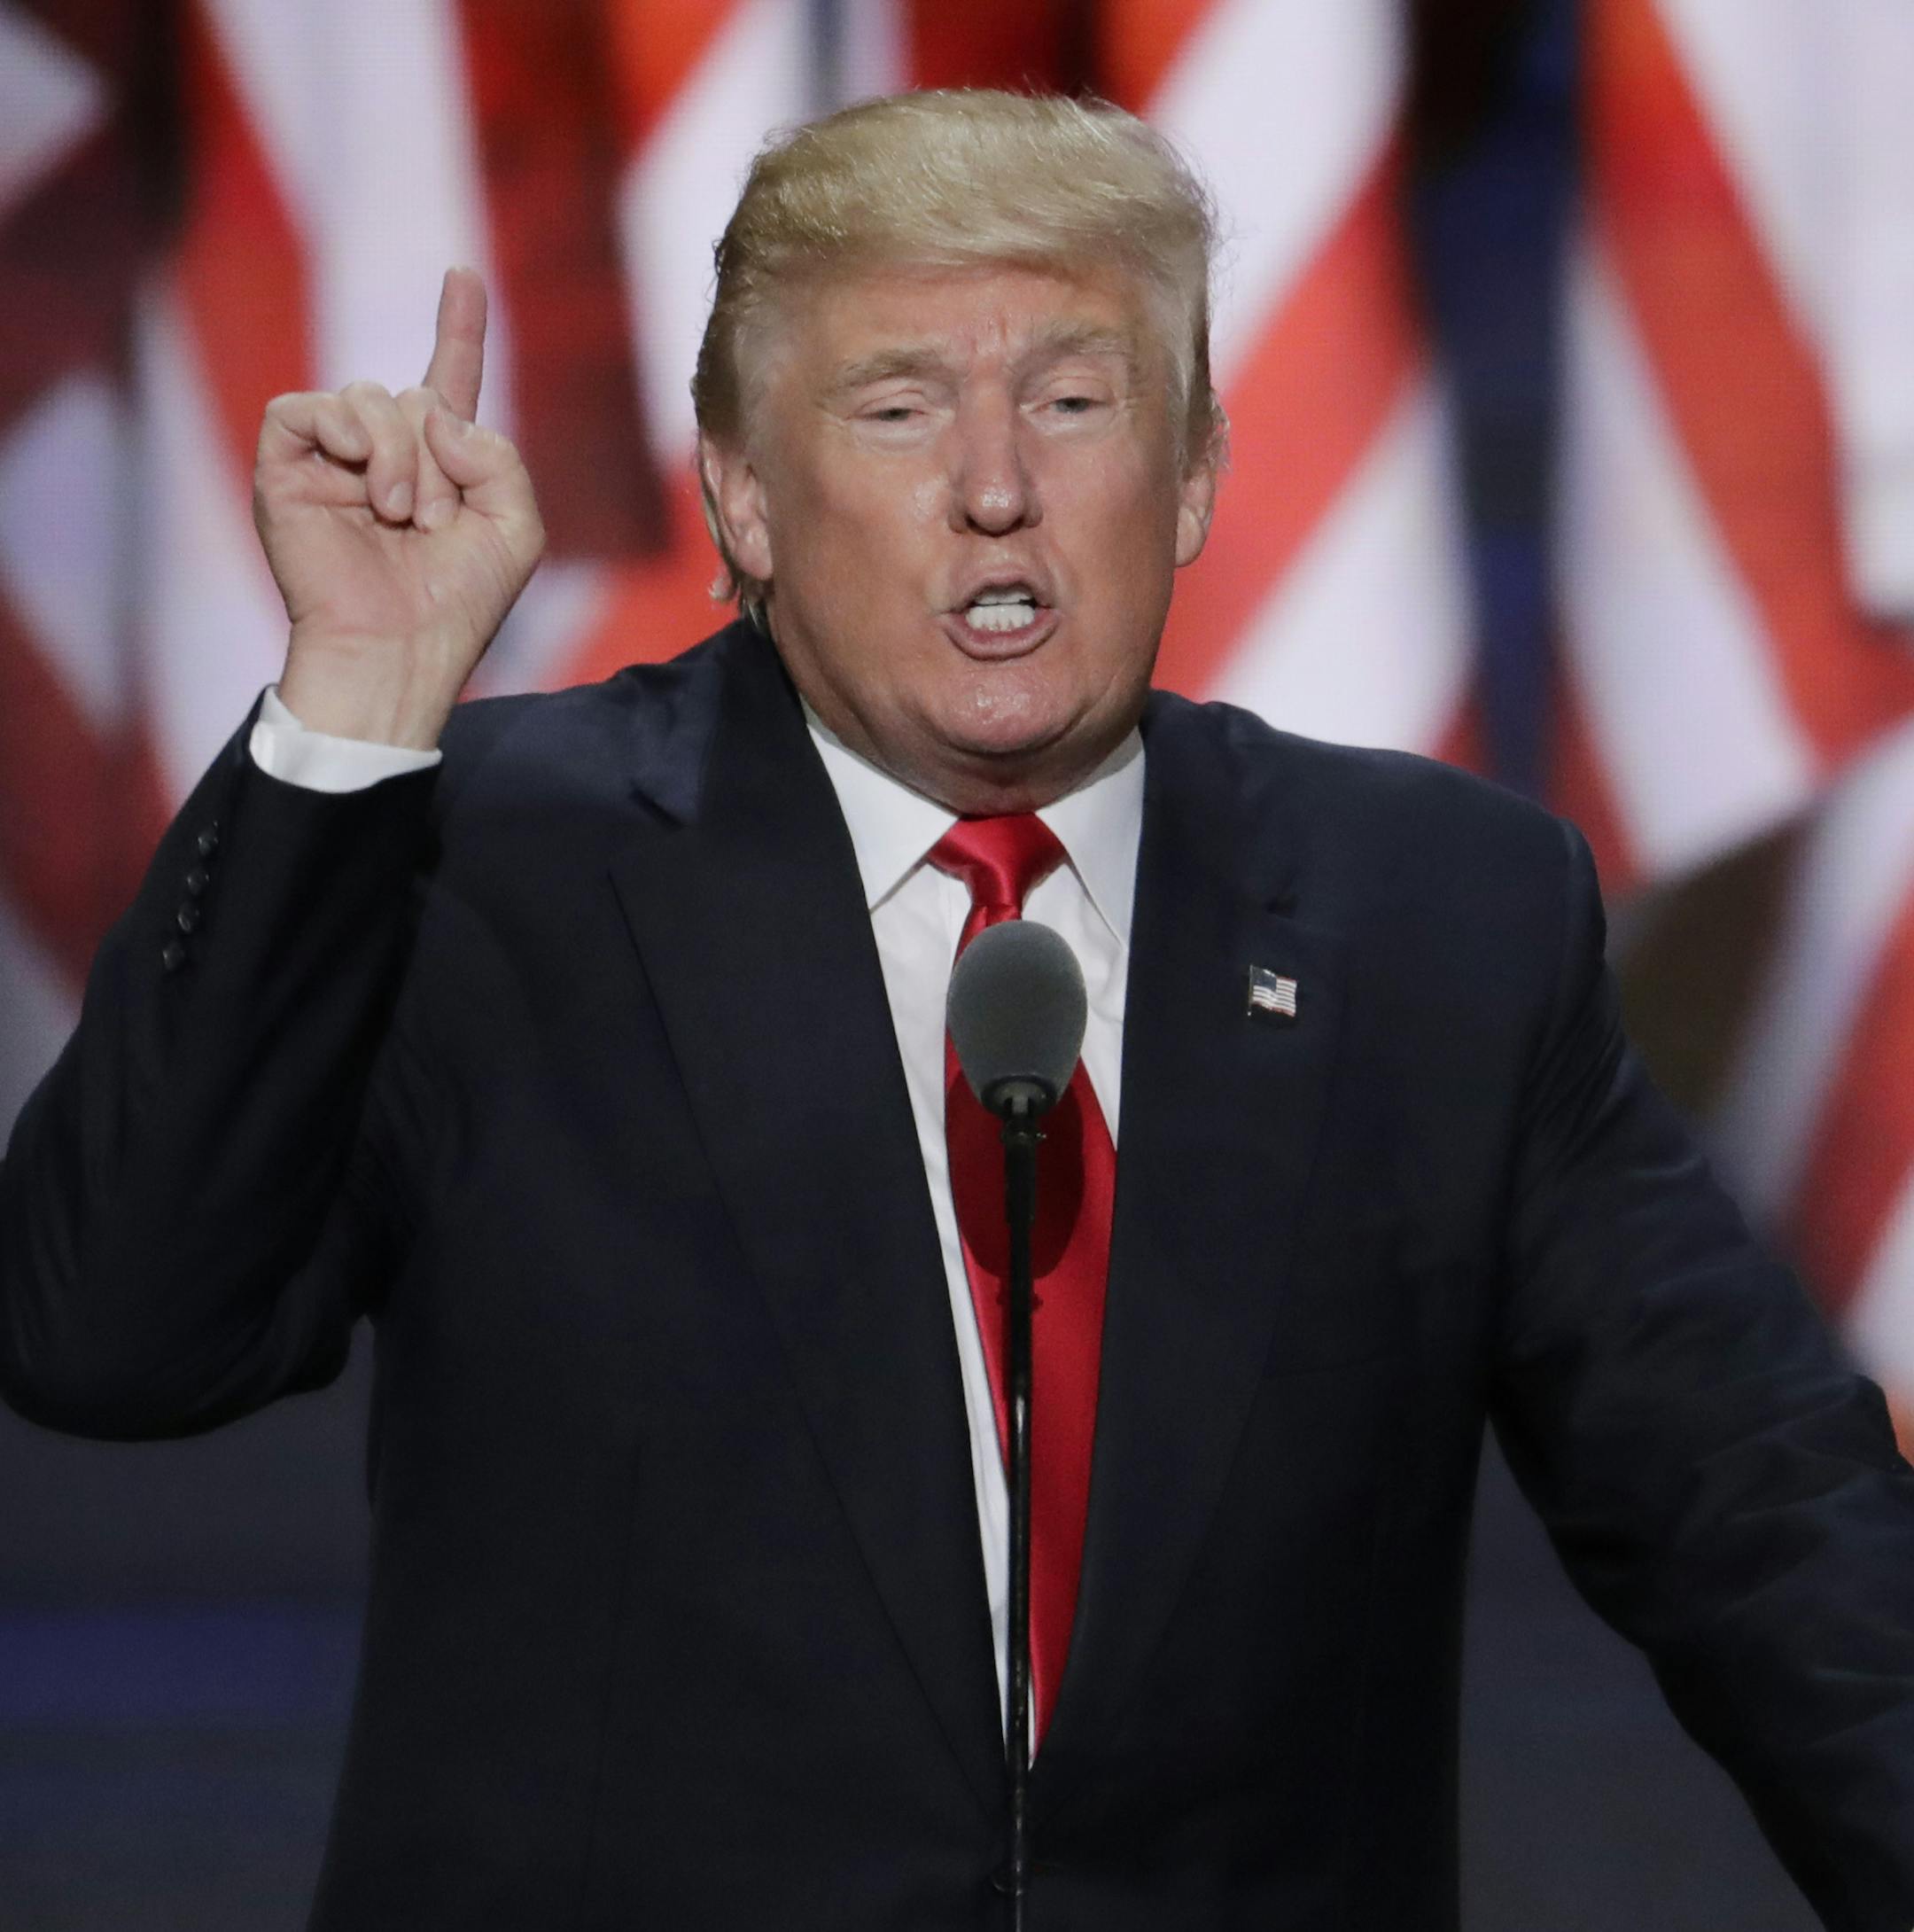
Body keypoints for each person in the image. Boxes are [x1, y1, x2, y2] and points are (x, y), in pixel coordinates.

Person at [3, 88, 1912, 1931]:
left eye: (1075, 401)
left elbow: (1762, 1509)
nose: (997, 488)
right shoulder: (487, 869)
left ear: (1193, 475)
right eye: (899, 407)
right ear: (745, 495)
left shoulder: (1433, 916)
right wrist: (356, 702)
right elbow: (111, 1333)